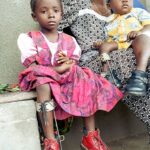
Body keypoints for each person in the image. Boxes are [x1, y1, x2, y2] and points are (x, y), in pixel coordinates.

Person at [17, 0, 123, 150]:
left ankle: (90, 136)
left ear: (62, 14)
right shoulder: (29, 39)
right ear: (34, 16)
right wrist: (59, 69)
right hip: (44, 77)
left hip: (66, 79)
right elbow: (34, 68)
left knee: (85, 77)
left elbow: (73, 64)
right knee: (43, 84)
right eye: (44, 11)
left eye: (55, 10)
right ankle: (50, 141)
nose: (51, 15)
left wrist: (68, 63)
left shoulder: (70, 41)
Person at [59, 0, 150, 143]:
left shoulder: (121, 3)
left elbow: (146, 26)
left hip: (122, 51)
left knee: (142, 58)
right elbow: (53, 26)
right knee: (131, 62)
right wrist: (63, 55)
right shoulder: (75, 3)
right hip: (93, 60)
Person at [94, 0, 150, 96]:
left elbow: (148, 25)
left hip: (136, 39)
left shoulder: (138, 12)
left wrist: (140, 31)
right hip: (119, 43)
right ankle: (107, 73)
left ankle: (139, 75)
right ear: (109, 5)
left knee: (143, 39)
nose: (125, 0)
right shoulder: (108, 21)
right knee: (104, 46)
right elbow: (107, 38)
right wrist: (100, 43)